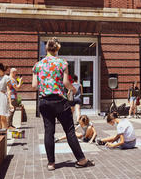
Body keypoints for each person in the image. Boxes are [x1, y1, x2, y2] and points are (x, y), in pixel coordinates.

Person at [32, 38, 94, 170]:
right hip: (60, 101)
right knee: (70, 130)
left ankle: (51, 163)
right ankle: (81, 160)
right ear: (57, 49)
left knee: (49, 132)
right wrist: (73, 89)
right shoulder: (62, 63)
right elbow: (66, 83)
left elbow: (34, 85)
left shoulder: (38, 65)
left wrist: (46, 85)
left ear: (47, 49)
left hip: (44, 101)